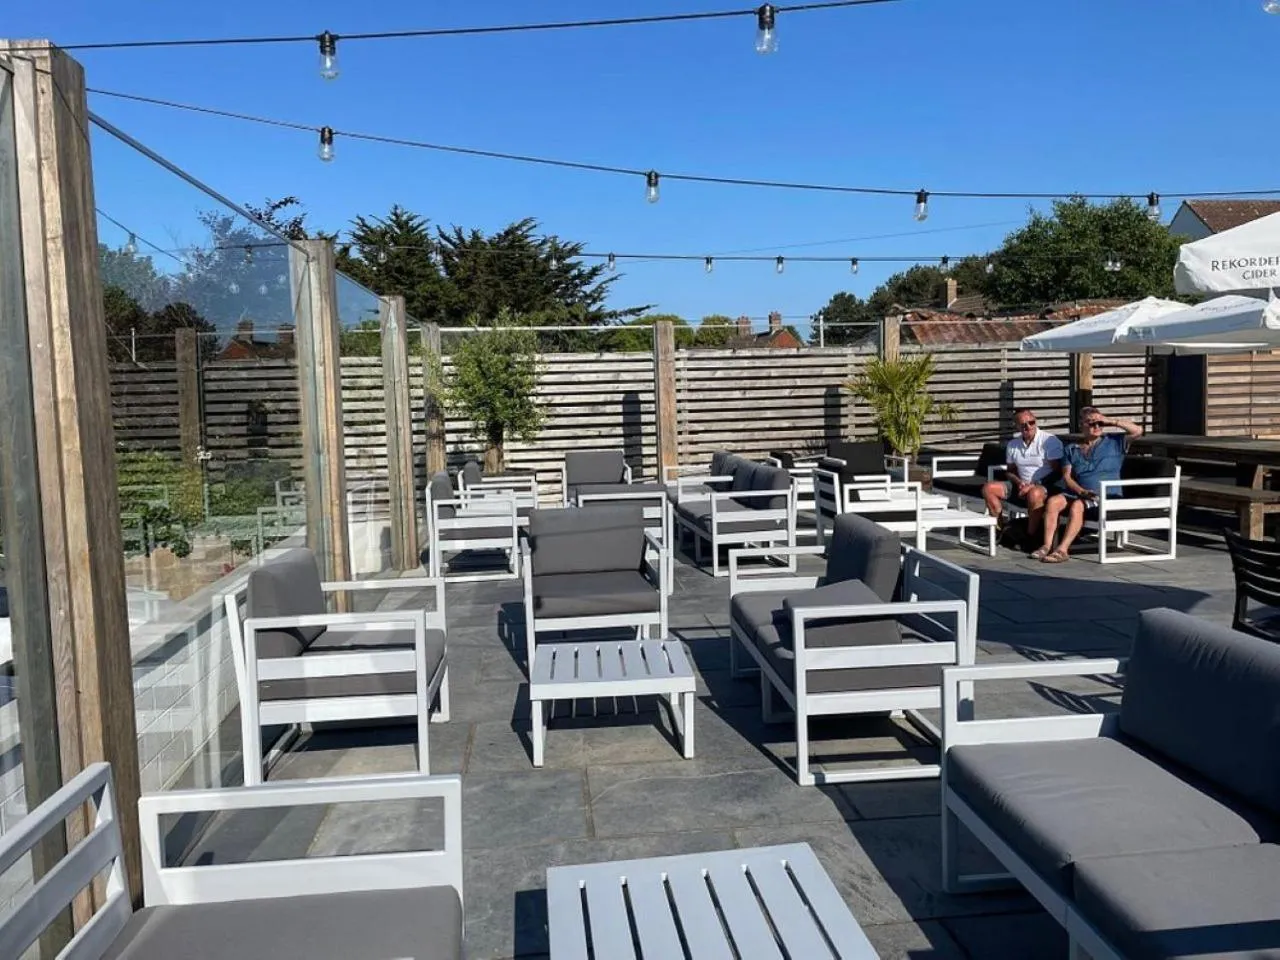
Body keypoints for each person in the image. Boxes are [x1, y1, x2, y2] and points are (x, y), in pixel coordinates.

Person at [1035, 407, 1144, 563]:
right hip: (1080, 492)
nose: (1097, 426)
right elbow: (1067, 477)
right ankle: (1046, 546)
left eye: (1100, 423)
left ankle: (1062, 549)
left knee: (1078, 505)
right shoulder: (1071, 449)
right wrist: (1081, 490)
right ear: (1082, 425)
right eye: (1091, 423)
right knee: (1054, 501)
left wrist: (1110, 420)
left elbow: (1138, 431)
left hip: (1106, 495)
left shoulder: (1114, 442)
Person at [981, 408, 1063, 544]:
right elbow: (1010, 471)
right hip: (1021, 484)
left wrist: (1034, 485)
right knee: (988, 488)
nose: (1028, 426)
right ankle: (999, 529)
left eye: (1031, 422)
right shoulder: (1013, 444)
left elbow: (1058, 472)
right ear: (1017, 426)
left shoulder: (1049, 441)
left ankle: (1030, 536)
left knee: (1034, 494)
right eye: (1023, 424)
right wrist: (1019, 482)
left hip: (1045, 485)